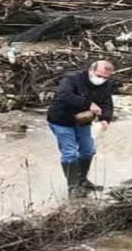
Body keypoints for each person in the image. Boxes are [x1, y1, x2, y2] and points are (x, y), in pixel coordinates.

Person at [46, 60, 115, 197]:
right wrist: (88, 104)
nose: (101, 80)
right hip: (61, 120)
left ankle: (82, 181)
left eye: (105, 77)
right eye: (99, 76)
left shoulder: (105, 85)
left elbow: (107, 102)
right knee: (70, 153)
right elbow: (64, 95)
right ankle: (73, 187)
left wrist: (105, 118)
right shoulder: (71, 79)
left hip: (83, 121)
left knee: (88, 151)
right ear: (91, 70)